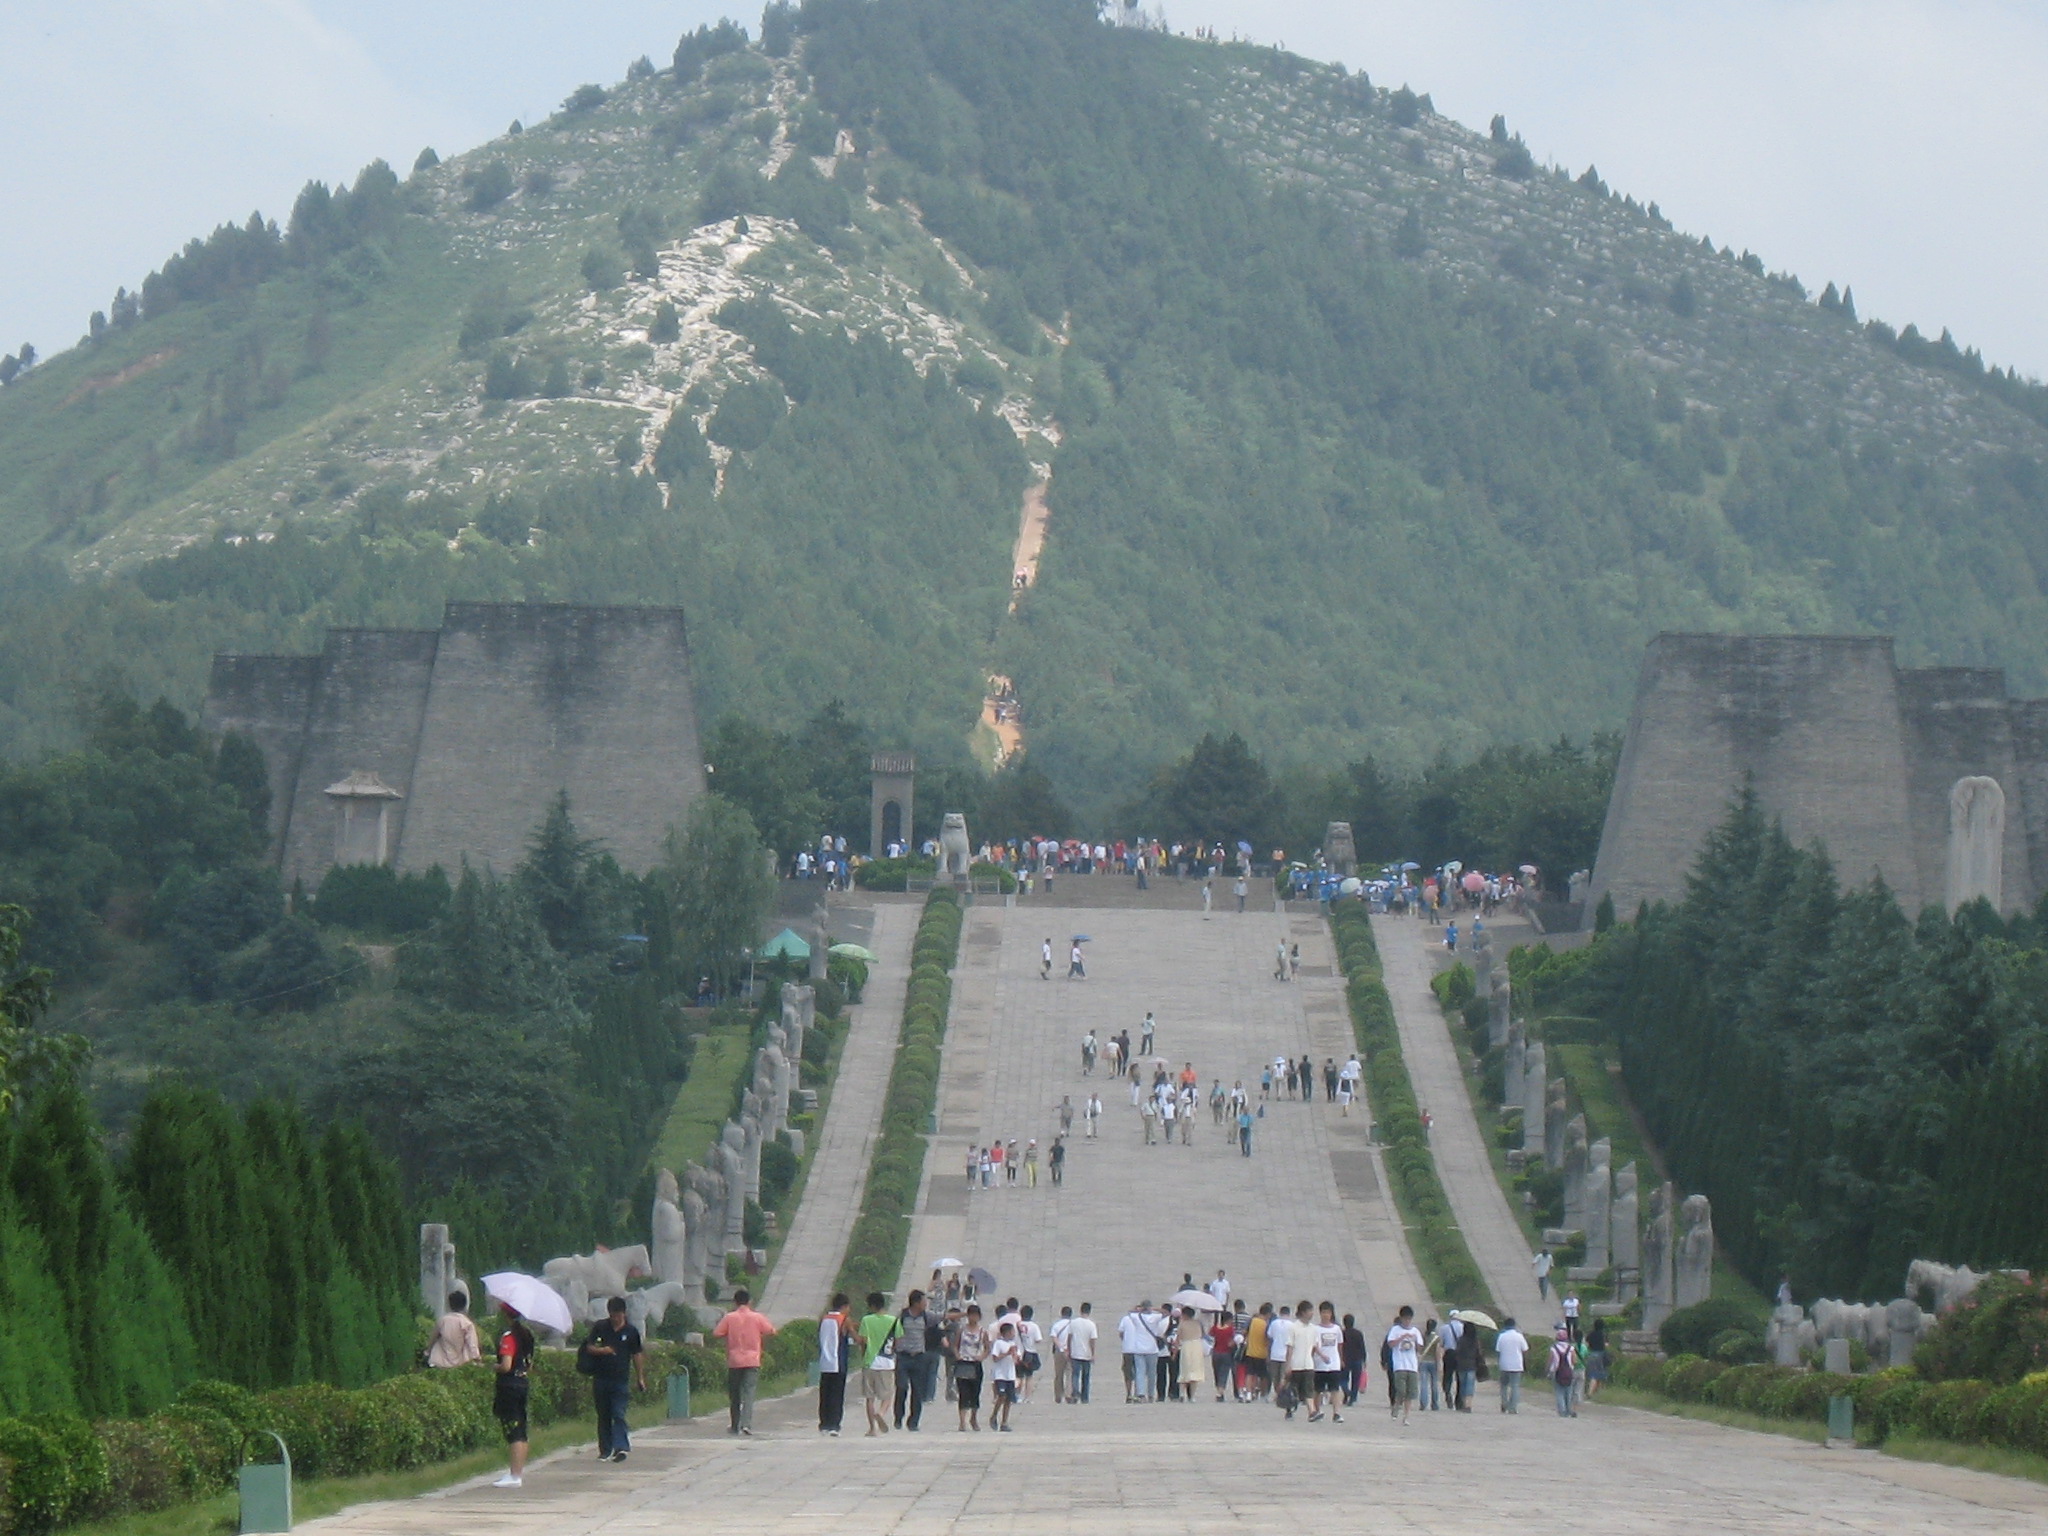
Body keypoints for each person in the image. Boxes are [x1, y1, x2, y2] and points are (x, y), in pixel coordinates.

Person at [582, 1295, 649, 1461]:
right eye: (613, 1315)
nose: (616, 1319)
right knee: (603, 1415)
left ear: (624, 1313)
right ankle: (605, 1449)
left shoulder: (631, 1331)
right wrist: (603, 1351)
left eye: (618, 1315)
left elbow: (637, 1354)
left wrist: (640, 1377)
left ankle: (620, 1447)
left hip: (620, 1380)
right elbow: (589, 1347)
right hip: (601, 1378)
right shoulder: (600, 1327)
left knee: (618, 1413)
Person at [712, 1287, 777, 1437]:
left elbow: (716, 1333)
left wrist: (729, 1337)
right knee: (749, 1392)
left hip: (734, 1360)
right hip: (752, 1359)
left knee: (735, 1394)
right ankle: (746, 1424)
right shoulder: (757, 1317)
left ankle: (735, 1425)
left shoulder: (729, 1317)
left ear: (735, 1302)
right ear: (749, 1302)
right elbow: (771, 1331)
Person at [490, 1304, 536, 1488]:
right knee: (522, 1428)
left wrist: (495, 1366)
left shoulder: (508, 1337)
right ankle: (518, 1471)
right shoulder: (527, 1335)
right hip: (522, 1382)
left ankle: (514, 1475)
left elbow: (506, 1365)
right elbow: (529, 1364)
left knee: (513, 1428)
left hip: (508, 1385)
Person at [857, 1292, 899, 1436]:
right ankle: (881, 1412)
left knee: (870, 1397)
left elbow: (862, 1341)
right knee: (887, 1395)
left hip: (870, 1362)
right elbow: (897, 1341)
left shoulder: (866, 1320)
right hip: (887, 1362)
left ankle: (872, 1429)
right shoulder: (893, 1320)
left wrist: (863, 1356)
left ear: (872, 1305)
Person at [893, 1290, 934, 1430]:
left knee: (918, 1391)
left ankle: (913, 1422)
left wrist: (963, 1314)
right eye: (923, 1301)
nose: (925, 1303)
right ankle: (898, 1417)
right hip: (903, 1356)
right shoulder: (903, 1316)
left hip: (919, 1357)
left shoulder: (926, 1316)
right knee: (901, 1387)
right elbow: (894, 1332)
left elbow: (943, 1317)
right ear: (916, 1303)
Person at [814, 1292, 852, 1437]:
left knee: (825, 1394)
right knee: (837, 1394)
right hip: (838, 1362)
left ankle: (824, 1423)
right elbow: (854, 1336)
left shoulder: (824, 1318)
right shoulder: (844, 1320)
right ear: (844, 1306)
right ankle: (834, 1424)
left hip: (825, 1362)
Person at [953, 1305, 989, 1431]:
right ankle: (962, 1421)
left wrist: (982, 1356)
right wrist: (957, 1355)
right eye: (971, 1315)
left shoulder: (982, 1332)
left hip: (975, 1364)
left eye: (975, 1315)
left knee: (975, 1393)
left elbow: (987, 1348)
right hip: (963, 1363)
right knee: (963, 1392)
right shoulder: (961, 1330)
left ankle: (973, 1418)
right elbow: (955, 1345)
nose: (973, 1318)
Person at [1311, 1302, 1346, 1423]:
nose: (1326, 1315)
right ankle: (1317, 1410)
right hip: (1319, 1364)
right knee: (1318, 1389)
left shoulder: (1337, 1329)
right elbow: (1314, 1345)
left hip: (1333, 1363)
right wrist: (1321, 1355)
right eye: (1324, 1312)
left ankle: (1336, 1413)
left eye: (1328, 1312)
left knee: (1335, 1389)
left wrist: (1341, 1359)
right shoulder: (1315, 1329)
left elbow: (1340, 1345)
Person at [427, 1290, 480, 1368]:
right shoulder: (467, 1323)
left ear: (450, 1305)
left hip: (440, 1362)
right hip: (461, 1363)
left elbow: (433, 1338)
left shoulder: (443, 1320)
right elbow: (472, 1344)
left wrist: (428, 1351)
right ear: (464, 1305)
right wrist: (477, 1359)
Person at [1118, 1302, 1158, 1402]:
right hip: (1151, 1349)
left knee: (1139, 1372)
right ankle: (1150, 1394)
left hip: (1136, 1349)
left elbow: (1121, 1332)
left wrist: (1137, 1309)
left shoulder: (1132, 1317)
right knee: (1151, 1373)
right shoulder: (1155, 1317)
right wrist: (1153, 1309)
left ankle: (1140, 1394)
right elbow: (1165, 1313)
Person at [987, 1319, 1022, 1431]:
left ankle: (1004, 1422)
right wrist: (1007, 1353)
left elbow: (1017, 1361)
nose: (1013, 1334)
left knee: (1009, 1399)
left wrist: (1015, 1355)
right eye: (1012, 1332)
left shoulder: (1013, 1344)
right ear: (1006, 1333)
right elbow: (995, 1358)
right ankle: (994, 1415)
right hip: (1000, 1375)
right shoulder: (999, 1343)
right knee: (1002, 1396)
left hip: (1010, 1375)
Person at [1494, 1316, 1528, 1413]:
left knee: (1504, 1385)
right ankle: (1513, 1407)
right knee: (1515, 1386)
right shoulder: (1519, 1336)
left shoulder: (1502, 1336)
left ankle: (1504, 1404)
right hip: (1517, 1364)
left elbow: (1498, 1350)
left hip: (1504, 1364)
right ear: (1514, 1325)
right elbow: (1525, 1349)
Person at [1067, 1302, 1098, 1403]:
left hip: (1075, 1352)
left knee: (1075, 1374)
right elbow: (1092, 1340)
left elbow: (1069, 1337)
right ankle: (1085, 1397)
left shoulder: (1074, 1322)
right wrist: (1093, 1354)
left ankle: (1075, 1392)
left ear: (1080, 1310)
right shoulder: (1091, 1324)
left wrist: (1069, 1350)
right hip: (1087, 1354)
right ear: (1089, 1311)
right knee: (1086, 1376)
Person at [1176, 1307, 1206, 1403]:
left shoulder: (1182, 1324)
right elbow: (1203, 1334)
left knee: (1184, 1371)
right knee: (1195, 1372)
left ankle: (1182, 1394)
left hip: (1186, 1346)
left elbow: (1178, 1338)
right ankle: (1192, 1396)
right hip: (1197, 1346)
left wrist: (1175, 1351)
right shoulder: (1198, 1323)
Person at [1547, 1326, 1578, 1417]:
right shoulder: (1571, 1348)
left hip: (1556, 1372)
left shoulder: (1553, 1348)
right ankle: (1569, 1410)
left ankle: (1562, 1411)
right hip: (1569, 1372)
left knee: (1559, 1392)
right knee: (1568, 1392)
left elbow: (1550, 1360)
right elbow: (1574, 1361)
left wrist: (1548, 1370)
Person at [1208, 1308, 1238, 1401]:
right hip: (1226, 1353)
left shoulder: (1215, 1328)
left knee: (1216, 1373)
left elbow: (1210, 1335)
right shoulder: (1230, 1329)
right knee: (1223, 1374)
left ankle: (1218, 1390)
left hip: (1216, 1353)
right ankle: (1220, 1393)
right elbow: (1232, 1342)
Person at [1340, 1312, 1368, 1407]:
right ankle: (1352, 1397)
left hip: (1345, 1359)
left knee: (1343, 1379)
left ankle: (1347, 1392)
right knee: (1355, 1380)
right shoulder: (1358, 1333)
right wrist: (1364, 1359)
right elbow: (1362, 1347)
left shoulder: (1342, 1333)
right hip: (1357, 1359)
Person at [1049, 1306, 1074, 1405]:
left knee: (1058, 1374)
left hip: (1059, 1352)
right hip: (1070, 1350)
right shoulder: (1073, 1325)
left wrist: (1060, 1347)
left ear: (1061, 1314)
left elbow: (1054, 1337)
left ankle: (1058, 1395)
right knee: (1070, 1373)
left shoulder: (1056, 1324)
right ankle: (1068, 1394)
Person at [1418, 1318, 1443, 1410]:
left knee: (1424, 1383)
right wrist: (1439, 1363)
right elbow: (1438, 1352)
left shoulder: (1423, 1336)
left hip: (1424, 1361)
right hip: (1433, 1362)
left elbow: (1420, 1349)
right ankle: (1435, 1404)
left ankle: (1423, 1404)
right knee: (1434, 1384)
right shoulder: (1437, 1337)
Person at [1584, 1318, 1609, 1398]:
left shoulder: (1591, 1334)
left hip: (1591, 1354)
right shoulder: (1603, 1334)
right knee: (1597, 1375)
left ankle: (1596, 1393)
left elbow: (1587, 1342)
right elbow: (1606, 1345)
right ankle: (1590, 1393)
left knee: (1595, 1374)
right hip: (1600, 1355)